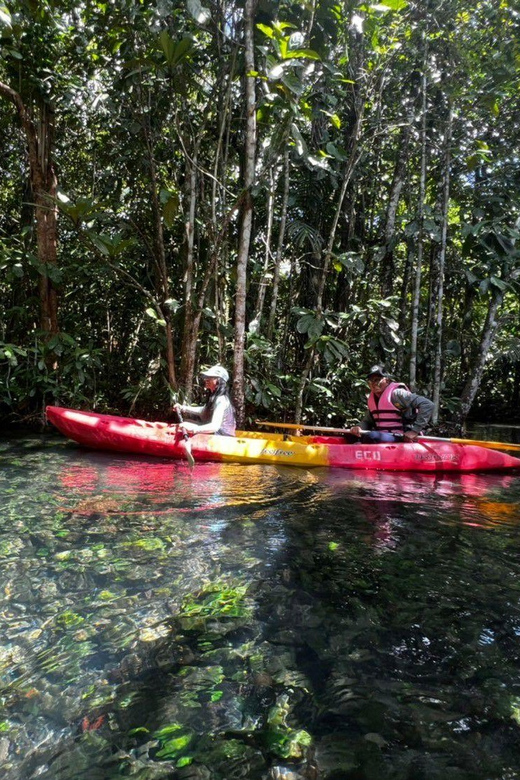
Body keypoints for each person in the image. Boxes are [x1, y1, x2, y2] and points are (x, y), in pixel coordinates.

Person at [347, 365, 434, 443]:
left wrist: (414, 431)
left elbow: (427, 404)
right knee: (349, 436)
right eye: (371, 381)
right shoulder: (372, 398)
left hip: (400, 436)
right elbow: (367, 421)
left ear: (387, 381)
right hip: (382, 436)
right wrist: (358, 427)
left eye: (377, 380)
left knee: (372, 436)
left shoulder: (397, 394)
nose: (374, 384)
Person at [173, 365, 236, 436]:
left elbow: (215, 426)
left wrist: (194, 429)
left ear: (218, 380)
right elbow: (203, 411)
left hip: (223, 437)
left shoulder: (221, 399)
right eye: (206, 377)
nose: (206, 379)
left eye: (210, 377)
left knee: (186, 425)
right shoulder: (214, 397)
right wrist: (183, 408)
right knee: (186, 422)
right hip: (218, 434)